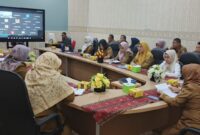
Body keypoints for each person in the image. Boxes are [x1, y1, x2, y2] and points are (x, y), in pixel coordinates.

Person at [25, 52, 74, 135]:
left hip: (28, 119)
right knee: (68, 123)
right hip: (45, 122)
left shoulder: (30, 73)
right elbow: (70, 97)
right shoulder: (53, 77)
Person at [160, 64, 200, 135]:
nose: (183, 76)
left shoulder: (190, 88)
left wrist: (163, 95)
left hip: (191, 126)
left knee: (164, 132)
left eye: (184, 74)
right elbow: (195, 94)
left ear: (190, 75)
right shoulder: (195, 85)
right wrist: (180, 90)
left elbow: (175, 102)